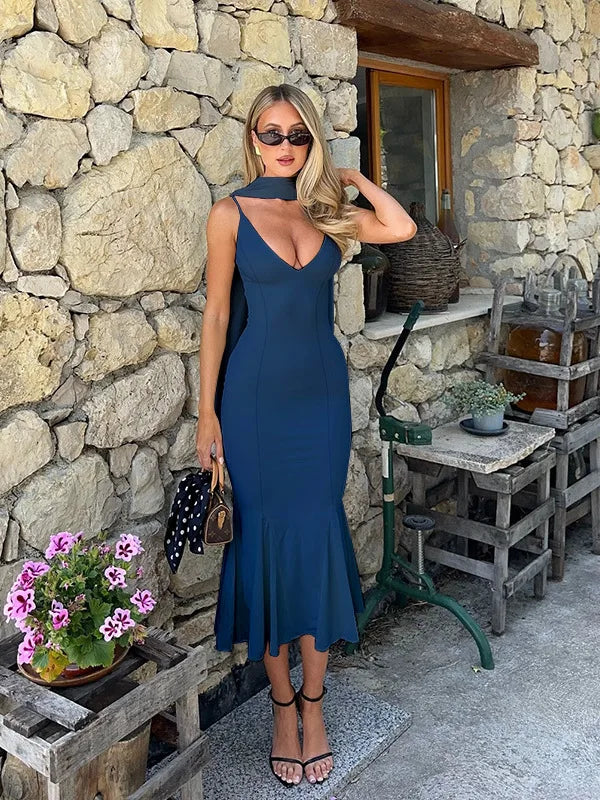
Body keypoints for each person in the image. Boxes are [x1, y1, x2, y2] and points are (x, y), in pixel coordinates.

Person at [196, 84, 417, 788]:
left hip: (320, 401)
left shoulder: (330, 213)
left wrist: (348, 176)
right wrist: (207, 417)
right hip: (254, 404)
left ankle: (314, 707)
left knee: (318, 540)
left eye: (298, 135)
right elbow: (216, 315)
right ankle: (281, 708)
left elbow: (402, 228)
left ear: (310, 140)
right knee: (262, 548)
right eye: (271, 133)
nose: (285, 146)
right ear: (252, 138)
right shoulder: (229, 213)